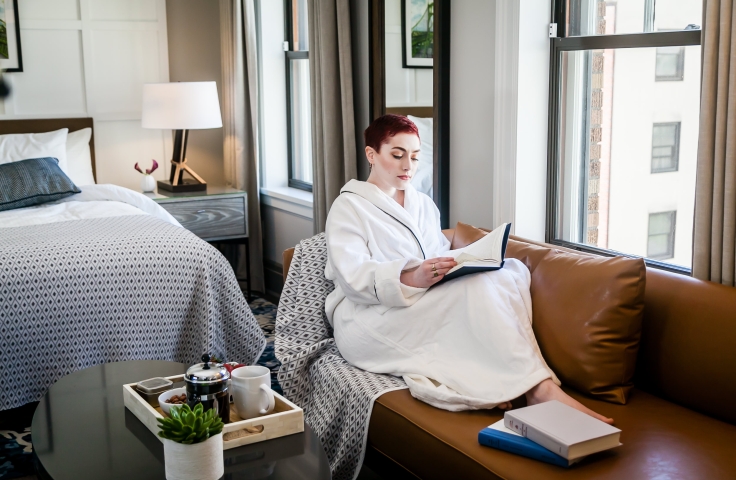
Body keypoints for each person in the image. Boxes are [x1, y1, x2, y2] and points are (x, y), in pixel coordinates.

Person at [324, 114, 612, 423]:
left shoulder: (422, 204)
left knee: (506, 272)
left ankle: (516, 383)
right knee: (476, 289)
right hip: (367, 318)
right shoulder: (348, 207)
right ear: (372, 155)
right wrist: (411, 276)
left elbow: (435, 254)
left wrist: (449, 267)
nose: (408, 165)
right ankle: (538, 389)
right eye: (397, 155)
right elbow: (353, 277)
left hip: (418, 301)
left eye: (415, 156)